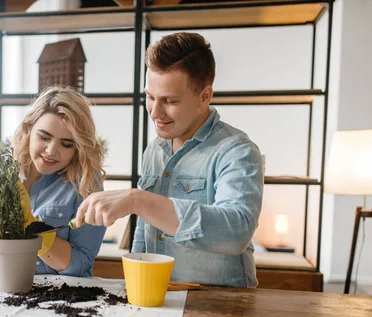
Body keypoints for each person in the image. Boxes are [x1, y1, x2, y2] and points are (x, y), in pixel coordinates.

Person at [76, 32, 264, 288]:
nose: (154, 112)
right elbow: (145, 227)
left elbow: (236, 232)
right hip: (159, 295)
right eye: (150, 97)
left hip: (221, 303)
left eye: (169, 101)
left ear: (204, 96)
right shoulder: (154, 150)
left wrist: (138, 200)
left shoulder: (237, 151)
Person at [0, 86, 107, 277]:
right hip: (1, 292)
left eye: (66, 144)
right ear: (28, 129)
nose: (51, 150)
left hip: (60, 297)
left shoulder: (86, 183)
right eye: (44, 137)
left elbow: (81, 263)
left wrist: (35, 231)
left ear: (78, 147)